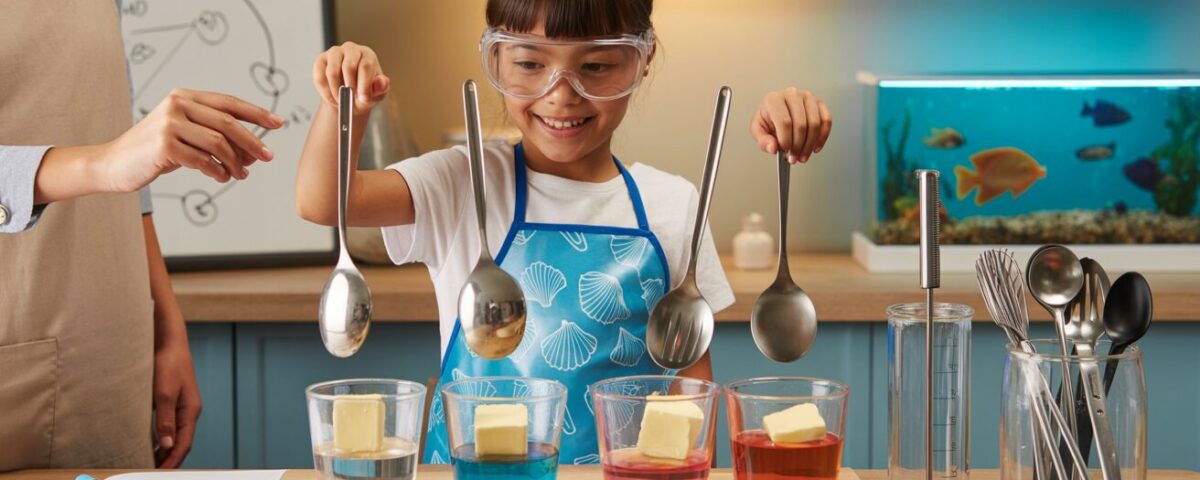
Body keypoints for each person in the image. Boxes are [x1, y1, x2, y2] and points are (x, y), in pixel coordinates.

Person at [295, 0, 831, 464]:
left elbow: (690, 391)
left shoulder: (672, 205)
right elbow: (324, 201)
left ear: (641, 62)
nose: (561, 94)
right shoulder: (466, 184)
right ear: (496, 59)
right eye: (530, 63)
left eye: (595, 66)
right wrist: (345, 104)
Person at [0, 0, 282, 470]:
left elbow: (113, 130)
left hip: (112, 356)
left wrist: (166, 328)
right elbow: (115, 155)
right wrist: (103, 162)